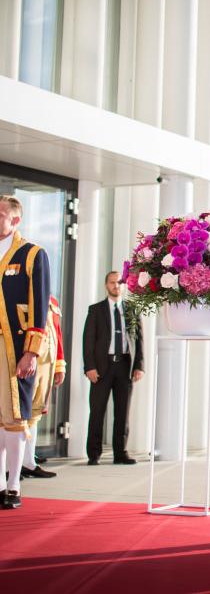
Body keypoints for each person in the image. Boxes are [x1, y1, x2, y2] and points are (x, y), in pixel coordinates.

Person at [0, 195, 51, 509]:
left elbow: (39, 306)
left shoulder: (32, 254)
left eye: (1, 213)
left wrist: (31, 352)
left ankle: (14, 485)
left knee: (15, 418)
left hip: (15, 348)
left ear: (15, 220)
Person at [83, 271, 144, 465]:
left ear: (124, 285)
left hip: (125, 366)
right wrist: (89, 367)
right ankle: (94, 454)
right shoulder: (96, 310)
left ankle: (120, 453)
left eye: (119, 282)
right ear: (106, 285)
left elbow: (139, 340)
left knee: (122, 412)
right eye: (112, 282)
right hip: (102, 367)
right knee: (97, 411)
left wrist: (139, 365)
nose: (116, 285)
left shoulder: (132, 309)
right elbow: (88, 341)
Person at [22, 295, 66, 478]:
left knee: (35, 414)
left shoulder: (53, 301)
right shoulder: (23, 292)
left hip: (47, 364)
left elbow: (57, 333)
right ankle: (10, 467)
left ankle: (28, 462)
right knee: (18, 415)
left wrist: (59, 365)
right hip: (29, 362)